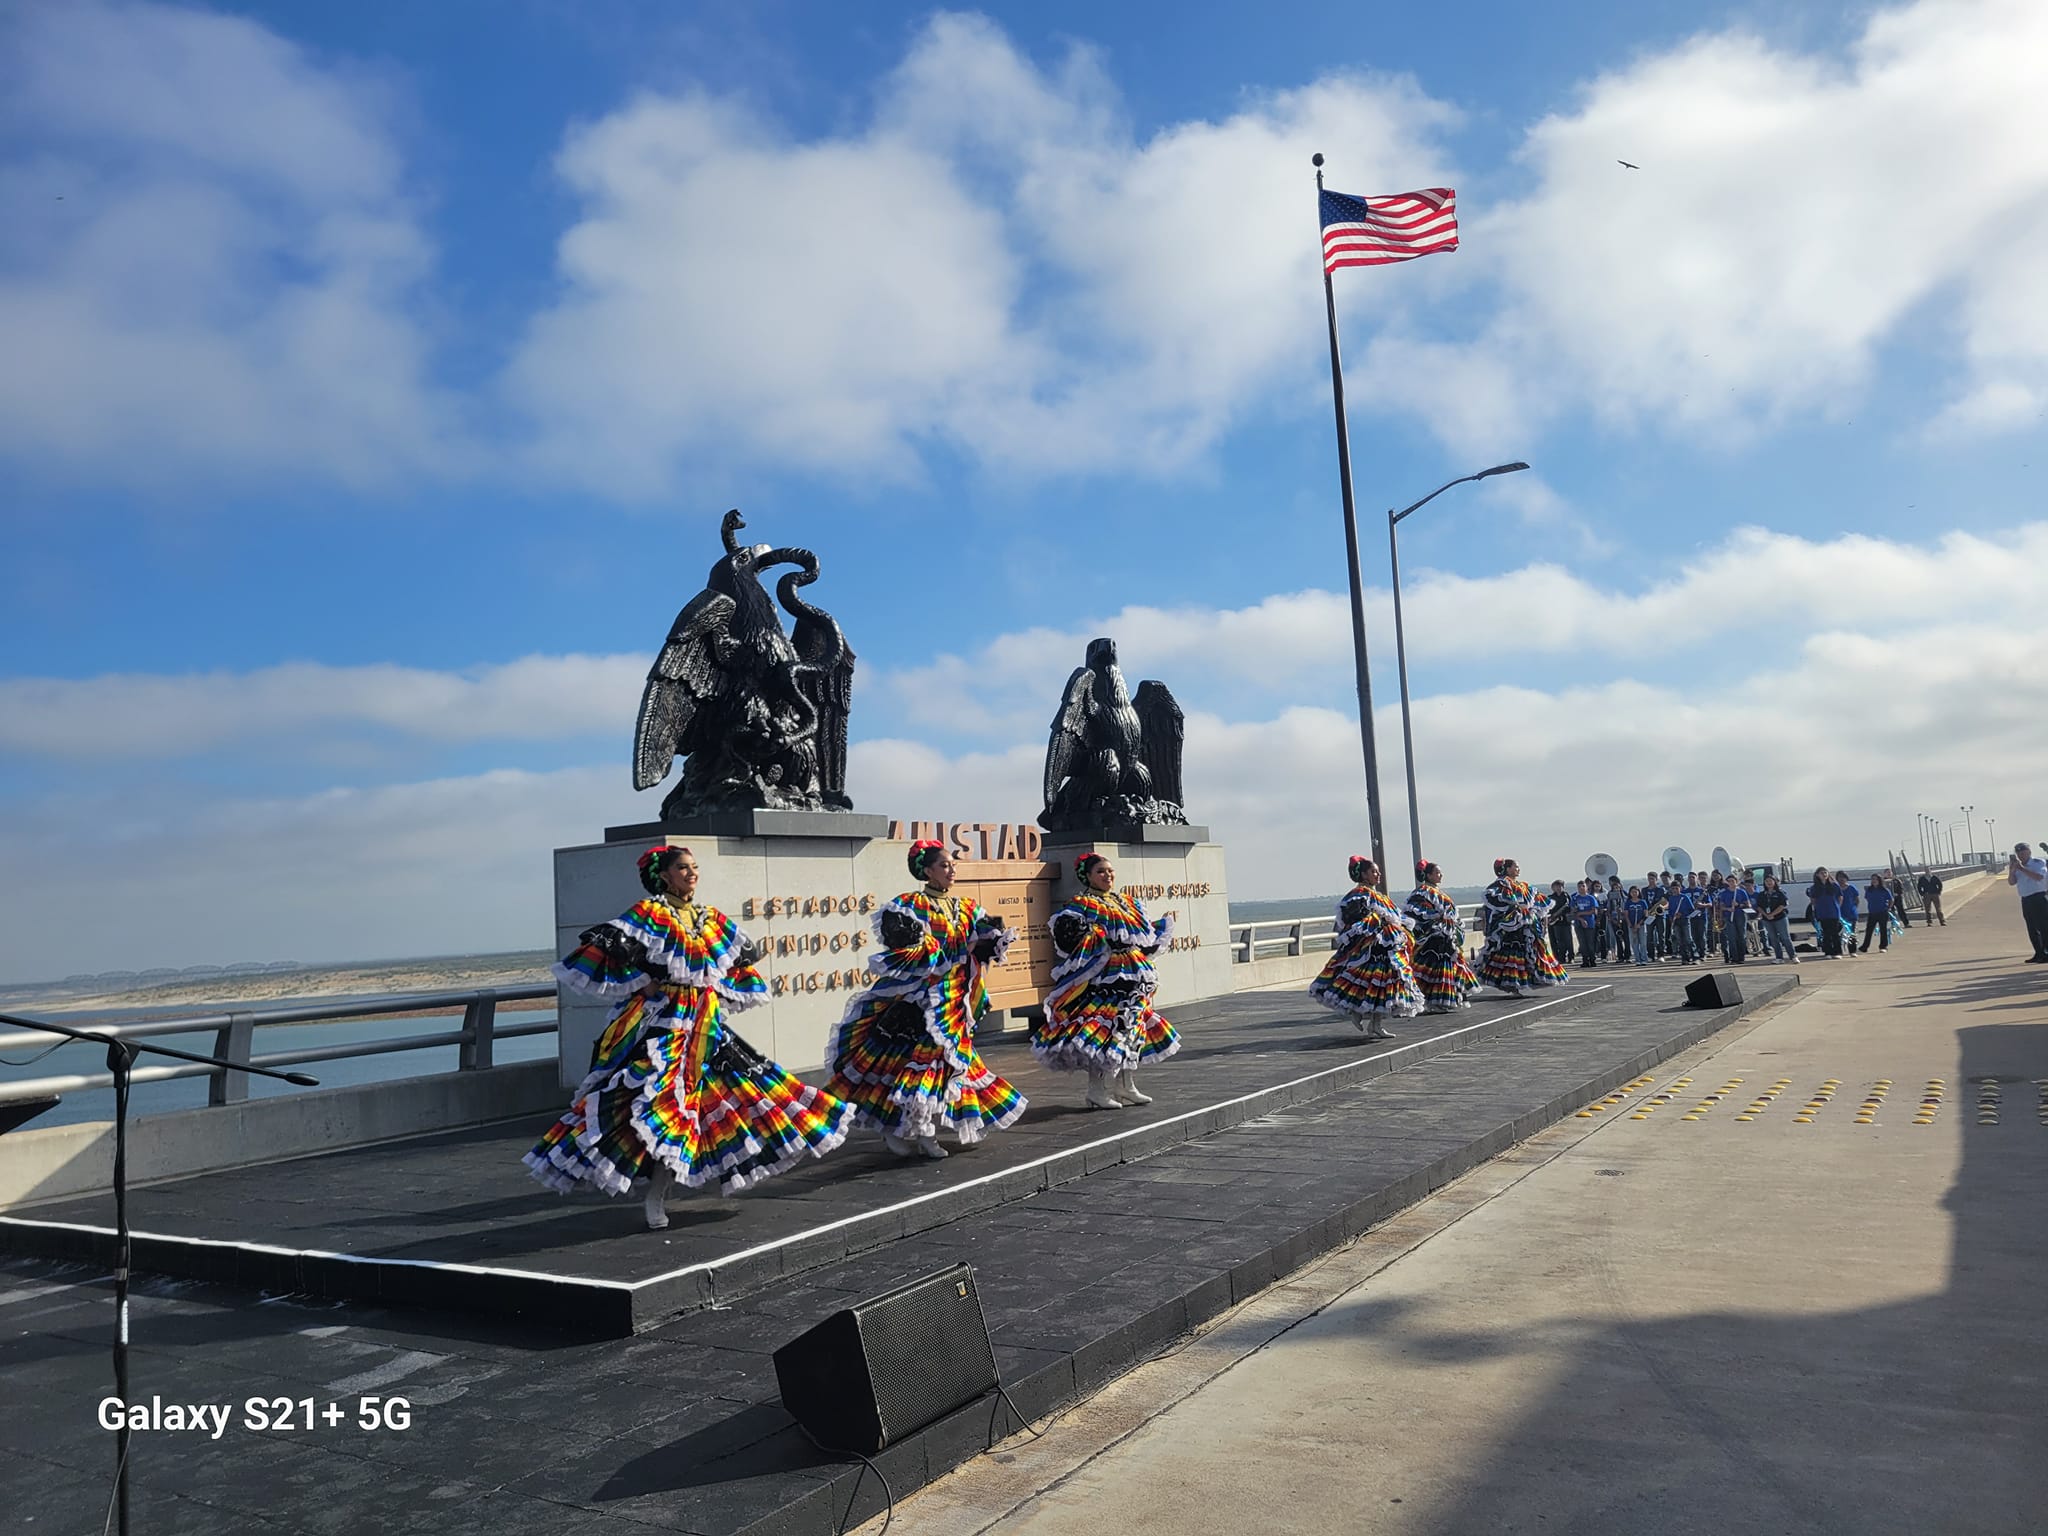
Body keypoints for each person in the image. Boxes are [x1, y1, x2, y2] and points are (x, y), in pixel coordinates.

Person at [526, 845, 855, 1228]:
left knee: (730, 1100)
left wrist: (710, 985)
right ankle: (654, 1197)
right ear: (664, 875)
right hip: (667, 1026)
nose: (692, 873)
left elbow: (742, 956)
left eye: (695, 867)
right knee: (661, 1105)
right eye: (683, 867)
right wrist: (646, 983)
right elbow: (608, 948)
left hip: (708, 1026)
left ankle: (665, 1191)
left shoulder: (709, 918)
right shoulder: (649, 914)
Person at [825, 840, 1026, 1158]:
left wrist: (991, 939)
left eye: (952, 864)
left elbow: (983, 946)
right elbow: (906, 952)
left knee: (941, 1067)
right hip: (920, 999)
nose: (951, 870)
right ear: (927, 870)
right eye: (944, 865)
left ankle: (916, 1130)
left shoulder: (968, 908)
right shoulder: (908, 906)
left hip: (955, 1000)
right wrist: (959, 948)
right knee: (909, 1065)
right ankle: (911, 1132)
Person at [1038, 852, 1179, 1109]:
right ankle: (1097, 1089)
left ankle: (1126, 1086)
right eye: (1101, 871)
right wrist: (1092, 935)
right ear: (1088, 876)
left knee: (1133, 1026)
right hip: (1105, 976)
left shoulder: (1127, 902)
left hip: (1134, 971)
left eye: (1110, 871)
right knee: (1105, 1029)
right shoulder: (1081, 904)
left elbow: (1142, 936)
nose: (1107, 875)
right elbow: (1068, 938)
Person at [1310, 855, 1423, 1037]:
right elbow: (1354, 922)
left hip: (1387, 951)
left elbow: (1396, 918)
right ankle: (1358, 1012)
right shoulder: (1358, 896)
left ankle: (1375, 1025)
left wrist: (1399, 929)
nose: (1378, 875)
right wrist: (1379, 921)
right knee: (1366, 983)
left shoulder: (1379, 896)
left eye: (1378, 871)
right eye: (1373, 871)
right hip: (1370, 950)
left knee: (1383, 988)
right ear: (1363, 874)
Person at [1476, 857, 1570, 997]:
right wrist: (1515, 909)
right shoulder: (1501, 885)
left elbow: (1538, 901)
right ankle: (1511, 985)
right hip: (1511, 928)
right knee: (1510, 955)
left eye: (1518, 867)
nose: (1518, 869)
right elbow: (1496, 903)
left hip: (1527, 927)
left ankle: (1521, 983)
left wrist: (1537, 916)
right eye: (1515, 866)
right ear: (1507, 869)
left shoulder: (1524, 886)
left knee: (1529, 953)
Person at [1405, 860, 1478, 1014]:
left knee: (1448, 968)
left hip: (1446, 937)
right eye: (1437, 873)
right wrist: (1438, 921)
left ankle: (1442, 1000)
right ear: (1428, 875)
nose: (1440, 875)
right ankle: (1432, 1001)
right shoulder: (1421, 893)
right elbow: (1417, 914)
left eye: (1440, 872)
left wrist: (1452, 924)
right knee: (1432, 970)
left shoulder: (1439, 892)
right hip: (1433, 940)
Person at [2007, 843, 2048, 962]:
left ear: (2029, 852)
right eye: (2019, 853)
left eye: (2023, 853)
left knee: (2043, 927)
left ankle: (2046, 953)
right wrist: (2012, 870)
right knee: (2032, 928)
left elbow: (2039, 877)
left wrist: (2021, 869)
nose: (2021, 855)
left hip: (2038, 898)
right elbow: (2011, 882)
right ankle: (2038, 953)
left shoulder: (2038, 863)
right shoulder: (2017, 866)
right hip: (2026, 899)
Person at [1756, 875, 1798, 964]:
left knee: (1785, 937)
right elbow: (1759, 907)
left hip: (1780, 918)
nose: (1769, 883)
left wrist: (1772, 914)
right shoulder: (1762, 894)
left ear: (1775, 882)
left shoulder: (1780, 893)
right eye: (1767, 881)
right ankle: (1779, 957)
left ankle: (1793, 956)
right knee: (1773, 938)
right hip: (1767, 919)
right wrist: (1766, 915)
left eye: (1770, 881)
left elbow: (1783, 905)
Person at [1808, 866, 1842, 958]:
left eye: (1825, 872)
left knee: (1835, 933)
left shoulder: (1834, 885)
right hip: (1822, 913)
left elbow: (1840, 898)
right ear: (1817, 875)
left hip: (1834, 912)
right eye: (1821, 873)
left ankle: (1837, 952)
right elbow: (1813, 900)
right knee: (1826, 934)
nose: (1824, 874)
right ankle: (1828, 952)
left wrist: (1837, 907)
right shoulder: (1814, 888)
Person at [1570, 878, 1604, 968]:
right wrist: (1581, 919)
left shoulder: (1591, 898)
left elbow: (1594, 911)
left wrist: (1581, 913)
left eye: (1583, 886)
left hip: (1590, 923)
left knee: (1590, 942)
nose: (1581, 888)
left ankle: (1592, 960)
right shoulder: (1575, 898)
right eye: (1579, 886)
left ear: (1586, 887)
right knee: (1582, 943)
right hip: (1578, 924)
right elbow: (1573, 912)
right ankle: (1585, 960)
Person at [1858, 873, 1893, 953]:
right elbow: (1867, 898)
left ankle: (1883, 946)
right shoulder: (1869, 890)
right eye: (1872, 879)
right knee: (1869, 930)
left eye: (1875, 879)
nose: (1874, 881)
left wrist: (1888, 908)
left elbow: (1891, 900)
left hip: (1882, 912)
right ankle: (1864, 947)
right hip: (1872, 913)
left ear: (1879, 880)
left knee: (1883, 929)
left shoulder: (1884, 890)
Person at [1545, 879, 1574, 968]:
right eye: (1556, 886)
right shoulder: (1550, 897)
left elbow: (1569, 908)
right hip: (1555, 922)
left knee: (1568, 940)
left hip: (1565, 921)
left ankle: (1570, 957)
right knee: (1558, 941)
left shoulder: (1566, 896)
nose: (1558, 888)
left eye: (1560, 886)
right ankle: (1560, 957)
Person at [1836, 872, 1861, 959]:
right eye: (1839, 877)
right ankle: (1839, 951)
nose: (1841, 879)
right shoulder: (1835, 888)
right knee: (1838, 934)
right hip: (1839, 915)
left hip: (1851, 914)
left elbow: (1857, 900)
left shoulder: (1851, 888)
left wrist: (1853, 908)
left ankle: (1852, 951)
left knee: (1851, 934)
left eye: (1843, 877)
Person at [1625, 885, 1650, 966]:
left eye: (1636, 891)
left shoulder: (1642, 902)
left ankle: (1644, 959)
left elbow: (1646, 914)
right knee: (1634, 942)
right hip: (1631, 925)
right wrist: (1630, 925)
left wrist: (1639, 924)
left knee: (1643, 942)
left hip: (1641, 925)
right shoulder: (1628, 902)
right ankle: (1637, 959)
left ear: (1638, 892)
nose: (1634, 893)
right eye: (1632, 892)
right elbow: (1626, 914)